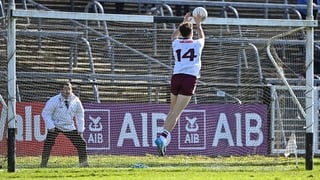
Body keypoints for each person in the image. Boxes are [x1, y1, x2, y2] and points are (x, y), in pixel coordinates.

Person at [154, 12, 205, 156]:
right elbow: (202, 37)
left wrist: (183, 22)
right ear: (191, 33)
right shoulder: (196, 44)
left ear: (181, 31)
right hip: (189, 79)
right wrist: (199, 24)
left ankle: (163, 139)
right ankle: (162, 138)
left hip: (176, 77)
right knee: (177, 112)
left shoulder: (176, 43)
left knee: (172, 111)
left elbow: (173, 36)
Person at [40, 81, 89, 167]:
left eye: (69, 89)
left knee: (81, 143)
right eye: (65, 89)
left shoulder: (76, 100)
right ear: (61, 90)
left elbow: (80, 115)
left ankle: (84, 164)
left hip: (69, 126)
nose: (68, 91)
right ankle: (43, 165)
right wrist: (50, 126)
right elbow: (46, 113)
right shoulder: (54, 100)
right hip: (55, 126)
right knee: (48, 144)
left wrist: (80, 131)